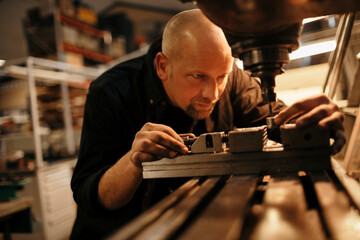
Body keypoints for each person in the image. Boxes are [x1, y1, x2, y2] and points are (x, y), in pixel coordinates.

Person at [70, 9, 345, 239]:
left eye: (221, 77)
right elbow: (91, 196)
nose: (212, 93)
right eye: (198, 76)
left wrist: (312, 124)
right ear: (163, 67)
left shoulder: (230, 79)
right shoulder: (111, 93)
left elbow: (274, 119)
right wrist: (132, 163)